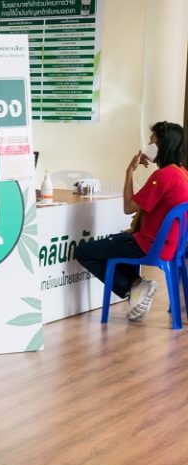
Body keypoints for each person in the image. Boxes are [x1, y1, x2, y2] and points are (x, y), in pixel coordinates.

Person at [75, 121, 188, 320]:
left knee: (85, 251)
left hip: (150, 246)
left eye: (152, 142)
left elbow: (128, 207)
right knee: (114, 241)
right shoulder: (183, 174)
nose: (148, 147)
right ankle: (137, 284)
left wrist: (130, 171)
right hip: (173, 246)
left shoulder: (162, 176)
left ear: (162, 146)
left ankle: (134, 286)